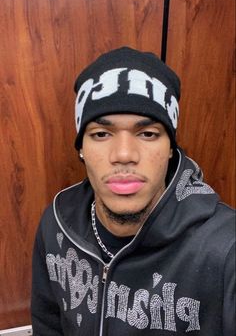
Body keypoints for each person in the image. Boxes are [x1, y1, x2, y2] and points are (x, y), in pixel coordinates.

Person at [31, 46, 235, 336]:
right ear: (81, 149)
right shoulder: (56, 224)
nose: (124, 154)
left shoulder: (226, 249)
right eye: (101, 134)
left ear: (170, 149)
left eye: (148, 133)